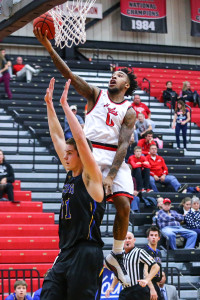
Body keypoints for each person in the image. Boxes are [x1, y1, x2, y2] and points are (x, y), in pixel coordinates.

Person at [34, 27, 137, 286]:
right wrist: (48, 46)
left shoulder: (129, 110)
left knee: (124, 205)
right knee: (82, 204)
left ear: (126, 85)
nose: (114, 78)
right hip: (89, 151)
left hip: (114, 157)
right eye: (113, 74)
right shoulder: (95, 94)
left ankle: (115, 255)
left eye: (119, 76)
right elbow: (68, 73)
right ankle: (70, 250)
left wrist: (112, 175)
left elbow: (124, 144)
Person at [40, 78, 105, 300]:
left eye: (70, 153)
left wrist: (66, 107)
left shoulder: (91, 178)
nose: (64, 156)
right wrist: (50, 105)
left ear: (82, 155)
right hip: (66, 251)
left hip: (86, 252)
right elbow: (58, 137)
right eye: (65, 153)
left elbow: (79, 138)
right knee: (48, 294)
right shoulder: (71, 172)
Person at [105, 231, 160, 300]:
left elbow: (156, 267)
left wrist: (147, 280)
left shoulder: (139, 252)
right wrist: (112, 287)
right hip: (125, 291)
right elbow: (118, 274)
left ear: (134, 240)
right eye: (125, 239)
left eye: (129, 238)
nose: (127, 240)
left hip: (139, 290)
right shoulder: (119, 255)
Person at [144, 226, 163, 300]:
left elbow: (158, 270)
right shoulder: (145, 251)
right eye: (151, 235)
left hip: (156, 284)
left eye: (155, 235)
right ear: (148, 237)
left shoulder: (158, 252)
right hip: (147, 285)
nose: (153, 237)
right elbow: (145, 272)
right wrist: (152, 289)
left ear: (159, 238)